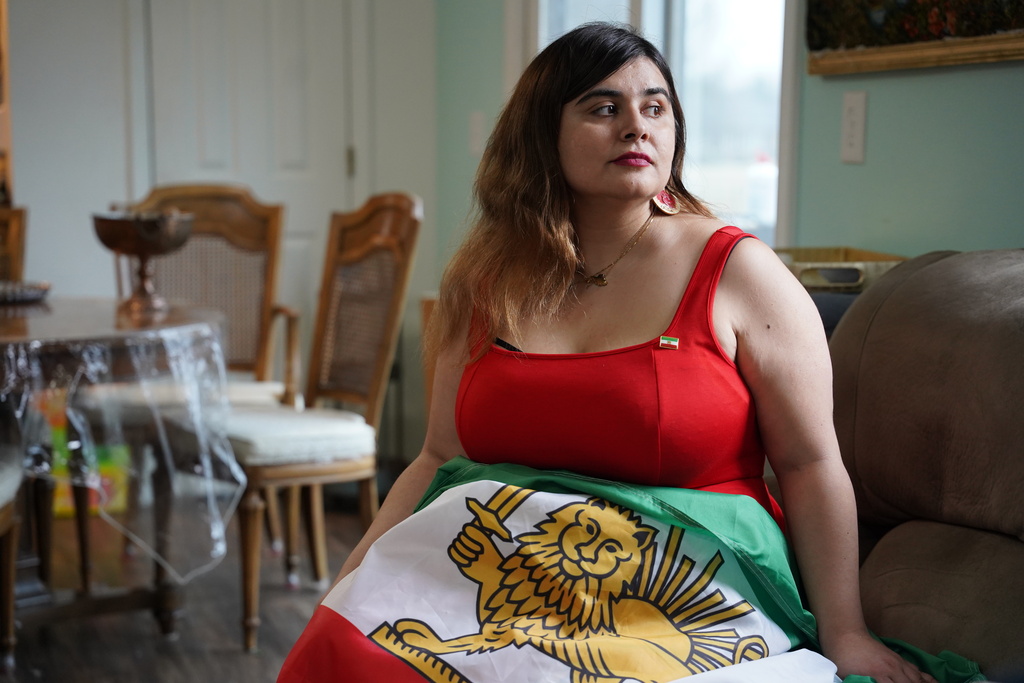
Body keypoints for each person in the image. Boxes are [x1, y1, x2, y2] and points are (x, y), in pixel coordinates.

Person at [300, 23, 949, 682]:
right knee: (346, 649)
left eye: (655, 106)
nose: (637, 126)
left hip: (676, 591)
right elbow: (438, 456)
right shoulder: (483, 279)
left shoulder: (739, 271)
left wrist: (846, 632)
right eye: (603, 107)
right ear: (541, 136)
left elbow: (810, 463)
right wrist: (350, 578)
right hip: (494, 576)